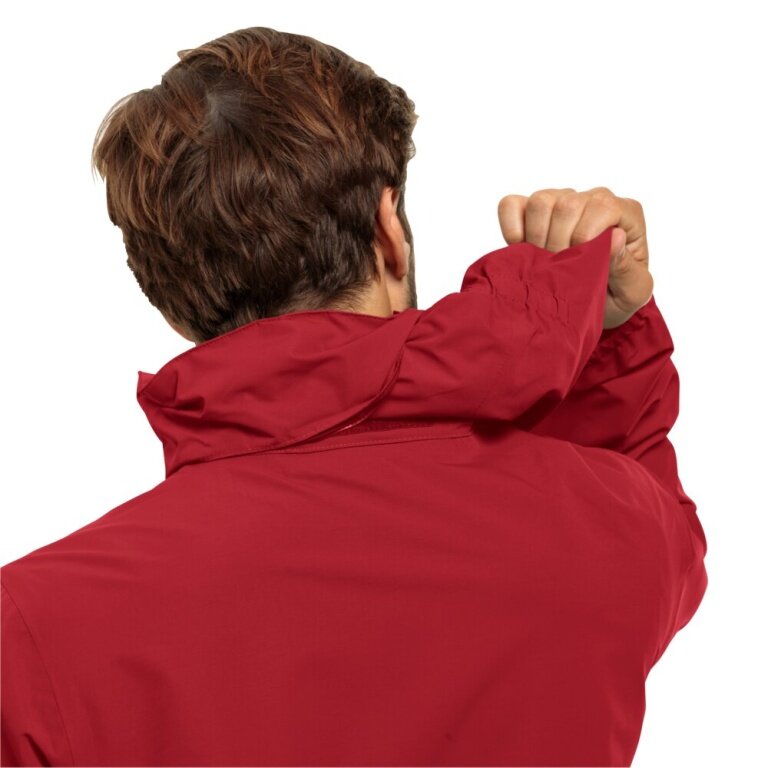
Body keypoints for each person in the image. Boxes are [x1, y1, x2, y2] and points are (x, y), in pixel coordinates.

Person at [0, 25, 707, 767]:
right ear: (388, 229)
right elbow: (650, 524)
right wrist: (606, 333)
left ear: (174, 305)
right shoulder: (609, 527)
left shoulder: (29, 634)